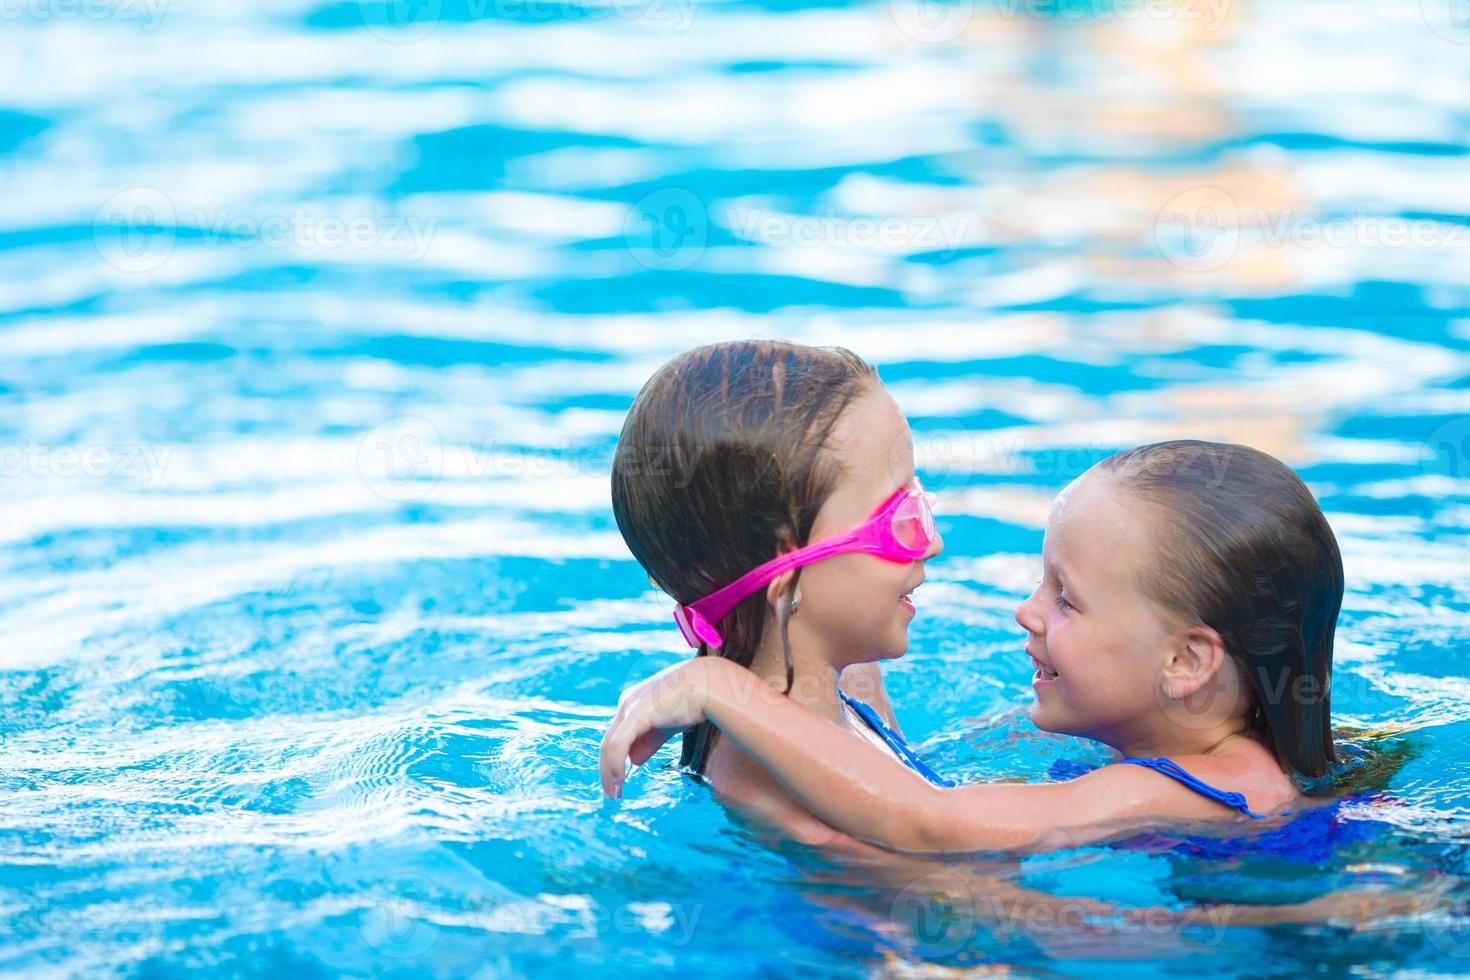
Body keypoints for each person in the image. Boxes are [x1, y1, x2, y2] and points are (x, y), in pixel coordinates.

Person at [604, 438, 1344, 853]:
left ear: (1186, 663)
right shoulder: (1165, 744)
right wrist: (833, 638)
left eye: (1066, 598)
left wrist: (719, 690)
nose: (1026, 612)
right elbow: (905, 771)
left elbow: (933, 822)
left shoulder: (1204, 791)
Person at [609, 339, 947, 842]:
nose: (932, 542)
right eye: (899, 518)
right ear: (787, 573)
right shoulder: (800, 803)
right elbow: (947, 864)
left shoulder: (819, 684)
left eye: (919, 502)